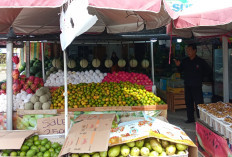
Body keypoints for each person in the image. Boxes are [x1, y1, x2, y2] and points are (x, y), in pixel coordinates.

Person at [174, 44, 211, 123]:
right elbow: (180, 70)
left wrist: (201, 77)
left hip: (197, 85)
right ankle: (190, 118)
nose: (188, 52)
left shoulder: (200, 61)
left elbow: (208, 71)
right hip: (187, 85)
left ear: (195, 50)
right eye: (187, 50)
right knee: (188, 102)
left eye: (190, 50)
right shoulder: (185, 61)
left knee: (199, 103)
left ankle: (201, 119)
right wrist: (178, 66)